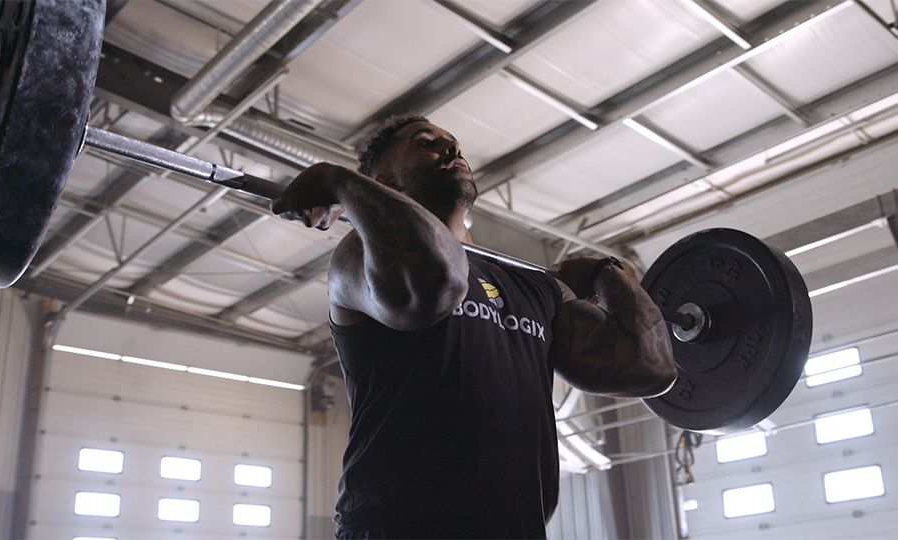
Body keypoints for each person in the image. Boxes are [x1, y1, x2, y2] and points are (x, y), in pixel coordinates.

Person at [272, 115, 677, 540]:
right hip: (400, 527)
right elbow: (434, 288)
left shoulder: (533, 285)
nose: (452, 150)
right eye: (426, 142)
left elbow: (650, 369)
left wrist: (603, 271)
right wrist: (339, 182)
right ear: (386, 181)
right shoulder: (363, 256)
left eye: (454, 143)